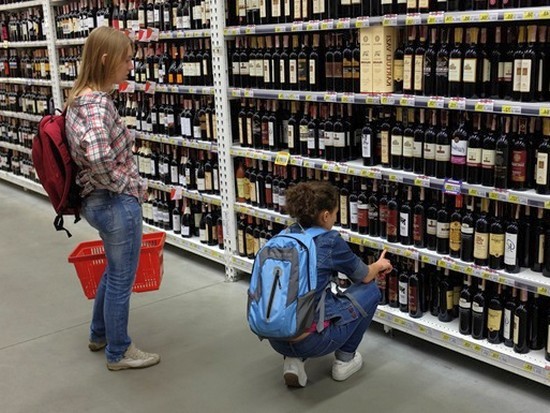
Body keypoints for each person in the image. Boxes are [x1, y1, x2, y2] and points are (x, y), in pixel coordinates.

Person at [65, 27, 160, 371]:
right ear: (106, 59)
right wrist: (127, 186)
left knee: (114, 269)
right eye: (127, 59)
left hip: (95, 200)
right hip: (113, 202)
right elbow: (100, 158)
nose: (131, 66)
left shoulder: (79, 97)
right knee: (122, 279)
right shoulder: (97, 105)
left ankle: (99, 333)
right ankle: (119, 351)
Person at [268, 180, 392, 387]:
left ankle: (293, 359)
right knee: (370, 290)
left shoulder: (285, 235)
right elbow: (364, 276)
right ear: (325, 216)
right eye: (335, 214)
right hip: (312, 341)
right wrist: (379, 265)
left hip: (275, 336)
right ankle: (345, 360)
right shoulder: (330, 240)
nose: (335, 218)